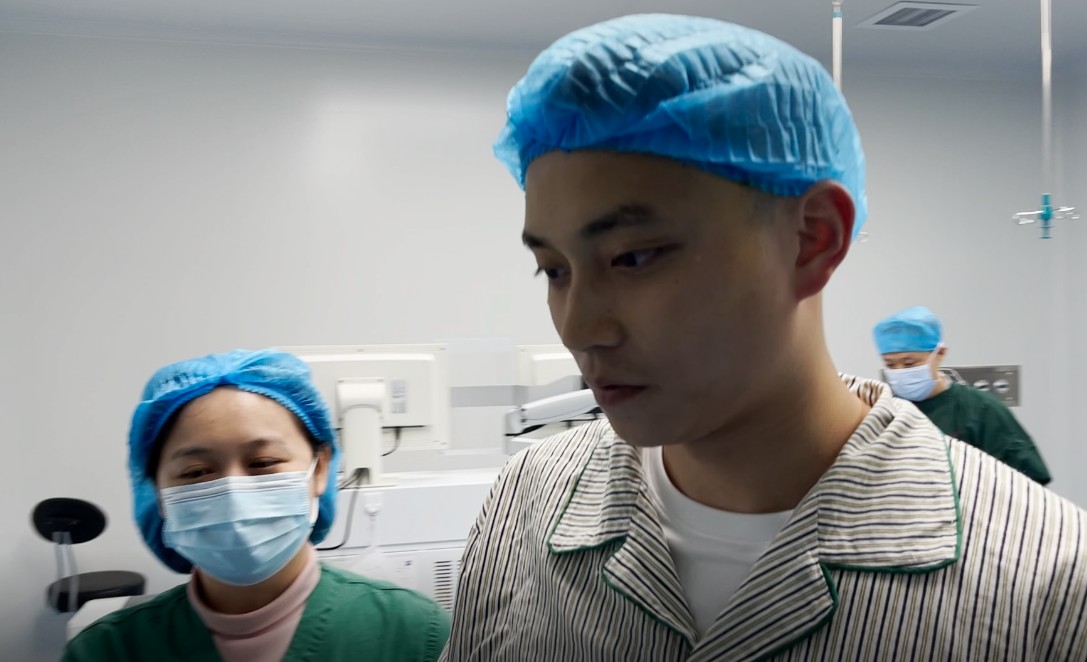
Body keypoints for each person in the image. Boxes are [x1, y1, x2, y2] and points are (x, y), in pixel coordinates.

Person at [440, 14, 1087, 661]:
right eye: (553, 269)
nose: (579, 329)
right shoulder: (526, 503)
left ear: (811, 240)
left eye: (633, 257)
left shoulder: (1048, 581)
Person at [63, 349, 449, 661]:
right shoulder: (106, 651)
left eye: (263, 463)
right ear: (158, 493)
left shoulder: (417, 635)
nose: (234, 491)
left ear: (320, 469)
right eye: (196, 472)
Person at [874, 305, 1051, 484]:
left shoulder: (981, 409)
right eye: (890, 365)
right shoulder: (884, 412)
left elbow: (1029, 480)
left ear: (940, 353)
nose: (899, 371)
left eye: (909, 363)